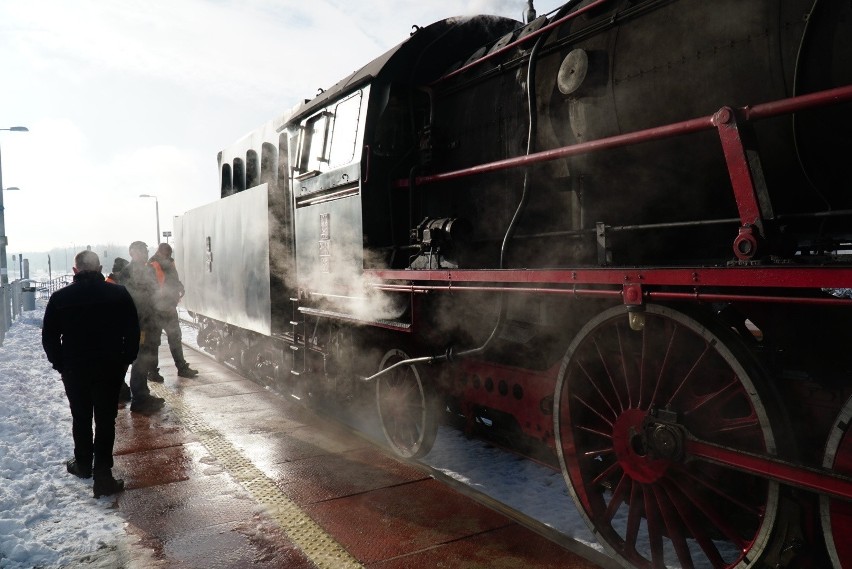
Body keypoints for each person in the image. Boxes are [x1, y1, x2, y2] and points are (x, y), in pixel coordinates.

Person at [42, 250, 139, 498]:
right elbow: (133, 331)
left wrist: (60, 364)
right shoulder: (118, 294)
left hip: (75, 368)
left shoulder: (60, 297)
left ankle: (83, 464)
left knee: (81, 416)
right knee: (106, 419)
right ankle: (103, 475)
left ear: (75, 271)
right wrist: (124, 361)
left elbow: (49, 336)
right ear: (99, 268)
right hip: (109, 366)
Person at [120, 241, 166, 414]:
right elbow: (130, 297)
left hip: (150, 320)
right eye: (140, 251)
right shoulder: (127, 272)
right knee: (140, 359)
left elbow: (154, 293)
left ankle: (142, 393)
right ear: (132, 252)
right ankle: (139, 397)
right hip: (139, 322)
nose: (145, 254)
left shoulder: (148, 270)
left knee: (146, 358)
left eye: (145, 250)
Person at [148, 243, 198, 380]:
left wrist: (179, 286)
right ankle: (152, 372)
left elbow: (173, 280)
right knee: (154, 342)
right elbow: (149, 287)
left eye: (169, 255)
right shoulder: (152, 264)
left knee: (175, 338)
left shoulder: (170, 263)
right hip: (156, 310)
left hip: (169, 308)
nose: (168, 257)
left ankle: (182, 368)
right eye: (166, 254)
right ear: (159, 252)